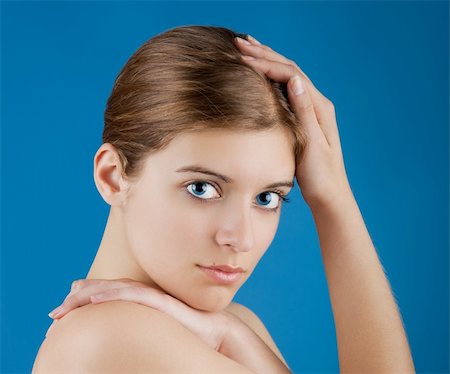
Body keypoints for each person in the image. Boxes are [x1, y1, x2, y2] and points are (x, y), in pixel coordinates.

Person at [32, 25, 415, 373]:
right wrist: (334, 201)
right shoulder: (110, 335)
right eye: (202, 188)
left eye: (267, 197)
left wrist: (331, 192)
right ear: (112, 176)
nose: (240, 238)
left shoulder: (230, 325)